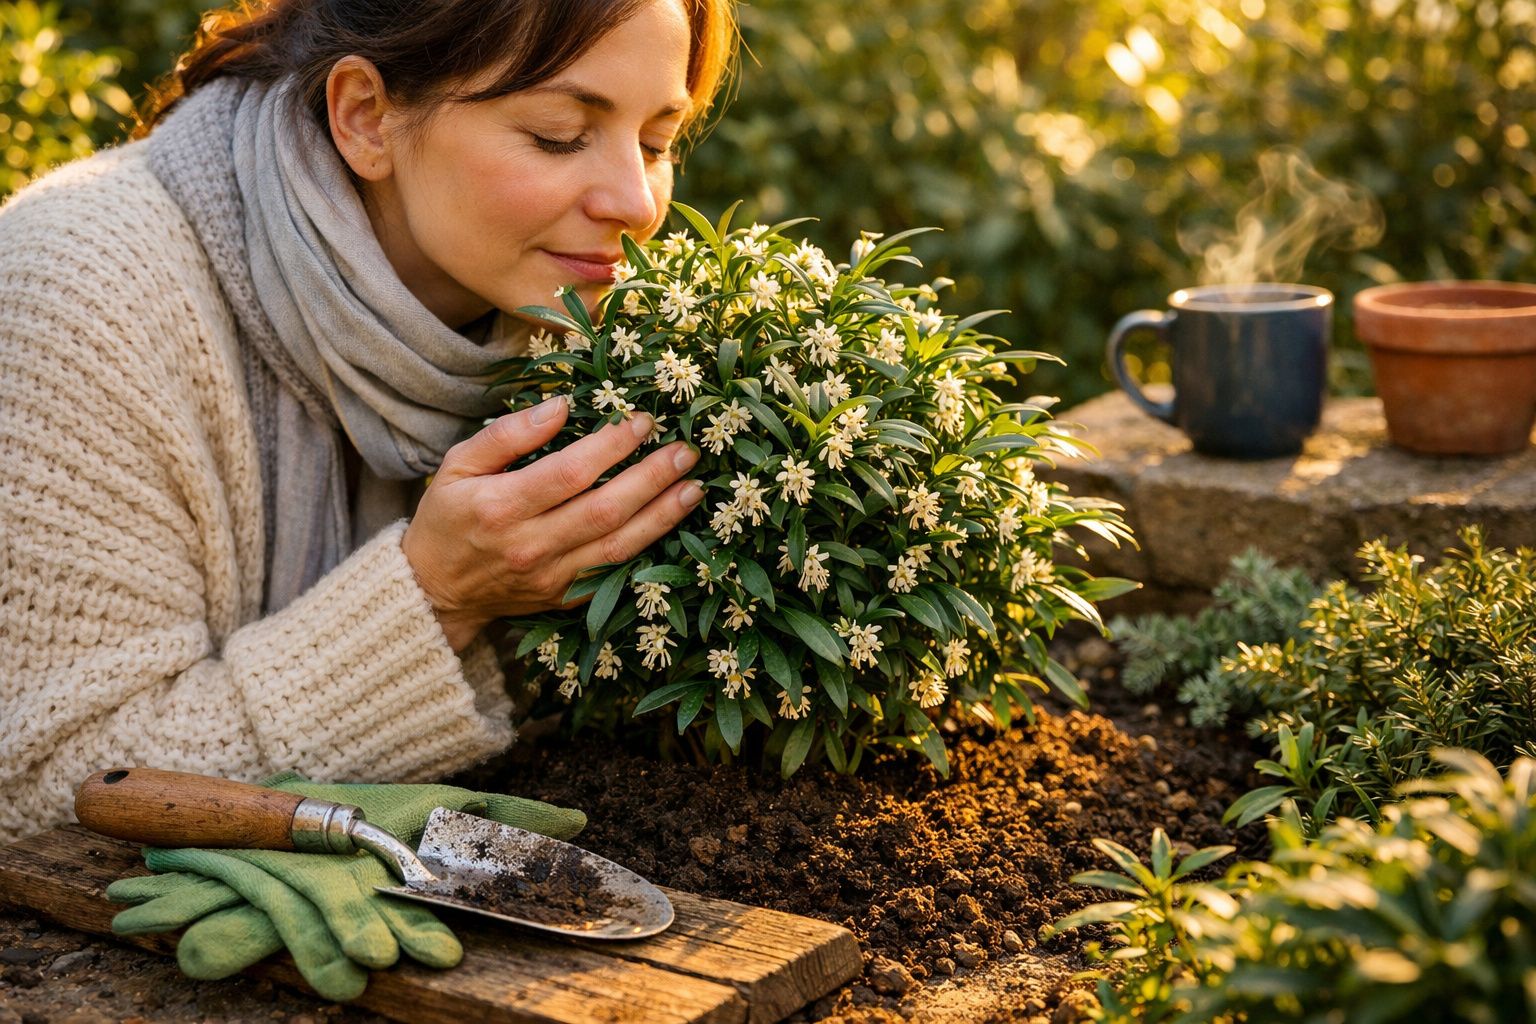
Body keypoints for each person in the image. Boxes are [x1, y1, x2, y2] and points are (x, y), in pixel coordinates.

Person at [0, 0, 737, 843]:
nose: (636, 204)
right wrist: (438, 597)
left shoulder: (587, 329)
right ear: (366, 117)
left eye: (656, 143)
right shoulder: (78, 295)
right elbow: (45, 792)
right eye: (560, 135)